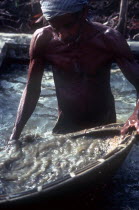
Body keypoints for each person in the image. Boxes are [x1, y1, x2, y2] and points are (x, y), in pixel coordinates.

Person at [9, 0, 139, 144]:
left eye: (68, 25)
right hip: (66, 126)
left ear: (84, 12)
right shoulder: (42, 40)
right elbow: (32, 88)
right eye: (55, 26)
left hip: (105, 125)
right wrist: (15, 135)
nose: (62, 34)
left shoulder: (108, 39)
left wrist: (136, 115)